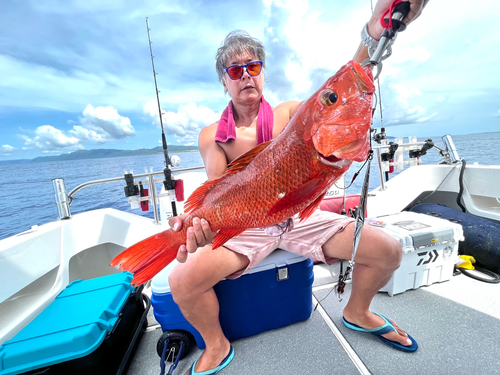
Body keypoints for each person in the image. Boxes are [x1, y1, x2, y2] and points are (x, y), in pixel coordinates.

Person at [169, 1, 427, 373]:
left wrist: (374, 31)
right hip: (251, 224)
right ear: (224, 81)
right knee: (182, 280)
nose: (246, 76)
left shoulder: (291, 114)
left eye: (253, 67)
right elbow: (219, 192)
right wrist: (198, 226)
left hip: (300, 216)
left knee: (388, 250)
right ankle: (216, 343)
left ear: (263, 73)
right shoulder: (213, 136)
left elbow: (336, 93)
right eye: (235, 70)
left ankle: (357, 312)